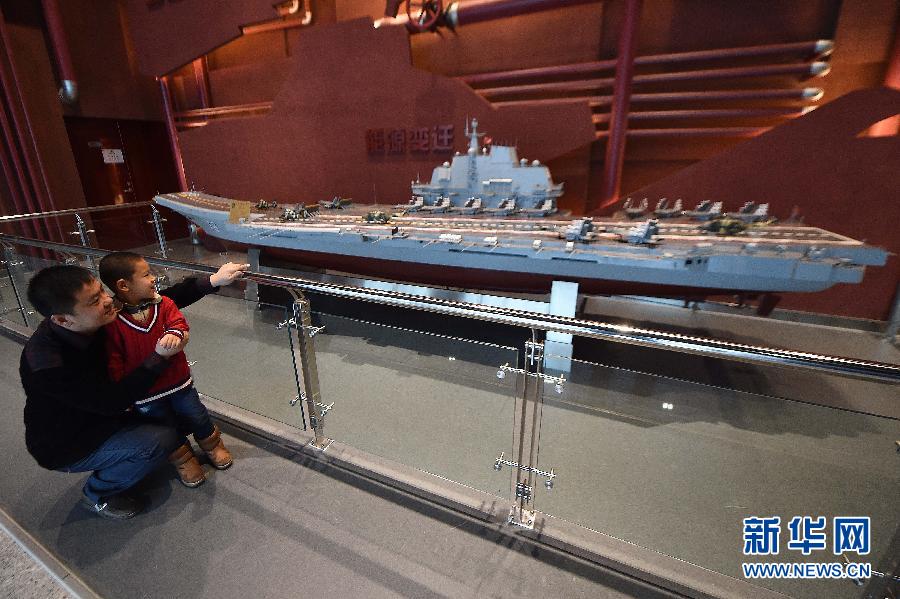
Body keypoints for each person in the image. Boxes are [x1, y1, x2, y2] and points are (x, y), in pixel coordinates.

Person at [19, 260, 249, 520]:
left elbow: (156, 302)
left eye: (102, 291)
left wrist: (212, 281)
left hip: (109, 411)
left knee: (181, 414)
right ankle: (98, 494)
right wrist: (158, 358)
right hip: (72, 440)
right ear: (63, 319)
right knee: (159, 440)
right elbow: (112, 402)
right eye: (95, 300)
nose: (108, 300)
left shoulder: (90, 320)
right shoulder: (48, 365)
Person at [98, 252, 232, 488]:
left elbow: (178, 321)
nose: (153, 278)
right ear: (123, 285)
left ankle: (212, 445)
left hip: (179, 382)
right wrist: (123, 394)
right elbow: (114, 361)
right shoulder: (113, 323)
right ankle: (183, 459)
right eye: (146, 275)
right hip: (145, 394)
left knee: (196, 414)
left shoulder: (164, 303)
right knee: (164, 426)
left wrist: (175, 333)